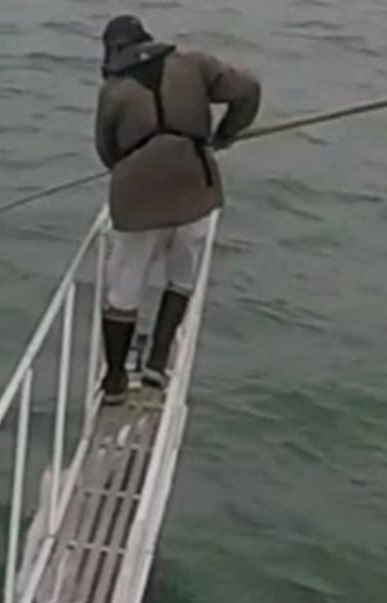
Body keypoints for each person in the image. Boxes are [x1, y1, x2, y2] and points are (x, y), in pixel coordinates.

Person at [93, 14, 261, 405]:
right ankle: (156, 362)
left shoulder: (114, 91)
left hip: (137, 200)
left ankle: (116, 381)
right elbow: (248, 90)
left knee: (125, 288)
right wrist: (225, 135)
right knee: (182, 274)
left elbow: (107, 151)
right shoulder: (195, 64)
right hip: (195, 189)